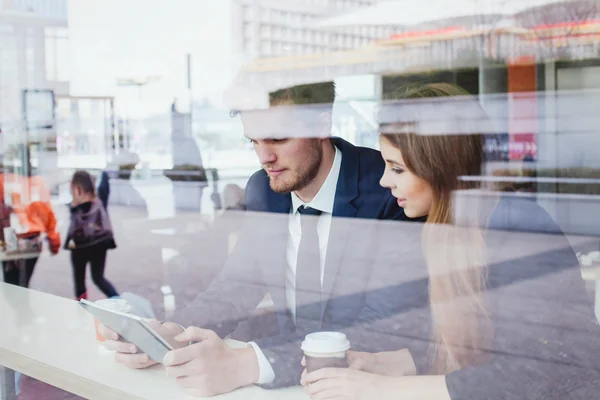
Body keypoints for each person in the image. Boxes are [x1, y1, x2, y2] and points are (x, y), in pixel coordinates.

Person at [99, 81, 423, 397]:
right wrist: (173, 334)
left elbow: (384, 329)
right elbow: (234, 288)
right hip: (291, 386)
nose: (264, 157)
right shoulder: (264, 190)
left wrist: (248, 364)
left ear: (322, 125)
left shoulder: (389, 188)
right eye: (252, 141)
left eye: (278, 138)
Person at [301, 83, 600, 399]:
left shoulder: (518, 231)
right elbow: (473, 349)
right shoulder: (450, 229)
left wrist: (384, 388)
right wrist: (377, 363)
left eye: (398, 169)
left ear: (439, 167)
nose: (384, 180)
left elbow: (529, 373)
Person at [65, 170, 119, 300]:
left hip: (79, 247)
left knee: (79, 282)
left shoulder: (77, 208)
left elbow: (73, 230)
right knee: (98, 278)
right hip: (101, 244)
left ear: (77, 190)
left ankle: (82, 310)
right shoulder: (100, 201)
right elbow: (105, 183)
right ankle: (119, 302)